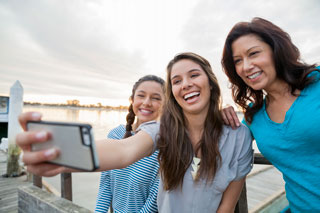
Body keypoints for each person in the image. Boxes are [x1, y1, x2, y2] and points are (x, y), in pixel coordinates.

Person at [17, 52, 253, 212]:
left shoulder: (239, 136)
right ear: (173, 93)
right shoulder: (162, 130)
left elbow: (227, 206)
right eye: (177, 80)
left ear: (210, 83)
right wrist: (60, 155)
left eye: (194, 75)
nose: (186, 84)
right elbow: (123, 150)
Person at [221, 17, 320, 212]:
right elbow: (224, 153)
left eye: (254, 53)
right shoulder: (253, 117)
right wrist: (217, 115)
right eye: (238, 61)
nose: (246, 66)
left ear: (277, 50)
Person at [95, 75, 165, 213]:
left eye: (156, 98)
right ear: (132, 100)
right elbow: (106, 185)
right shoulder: (115, 134)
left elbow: (153, 203)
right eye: (141, 96)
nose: (146, 102)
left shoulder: (166, 145)